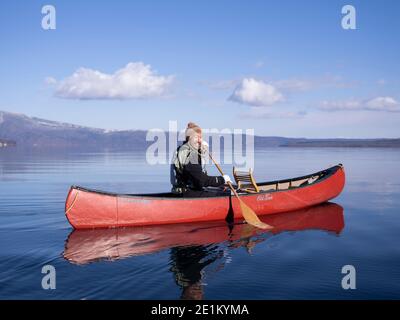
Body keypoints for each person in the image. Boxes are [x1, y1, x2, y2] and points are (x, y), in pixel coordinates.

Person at [171, 122, 232, 197]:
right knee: (228, 194)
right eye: (196, 137)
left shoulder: (182, 149)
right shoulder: (191, 155)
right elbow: (201, 181)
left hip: (183, 192)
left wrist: (201, 151)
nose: (200, 141)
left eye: (201, 137)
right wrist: (221, 179)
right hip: (188, 193)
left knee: (220, 190)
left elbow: (198, 177)